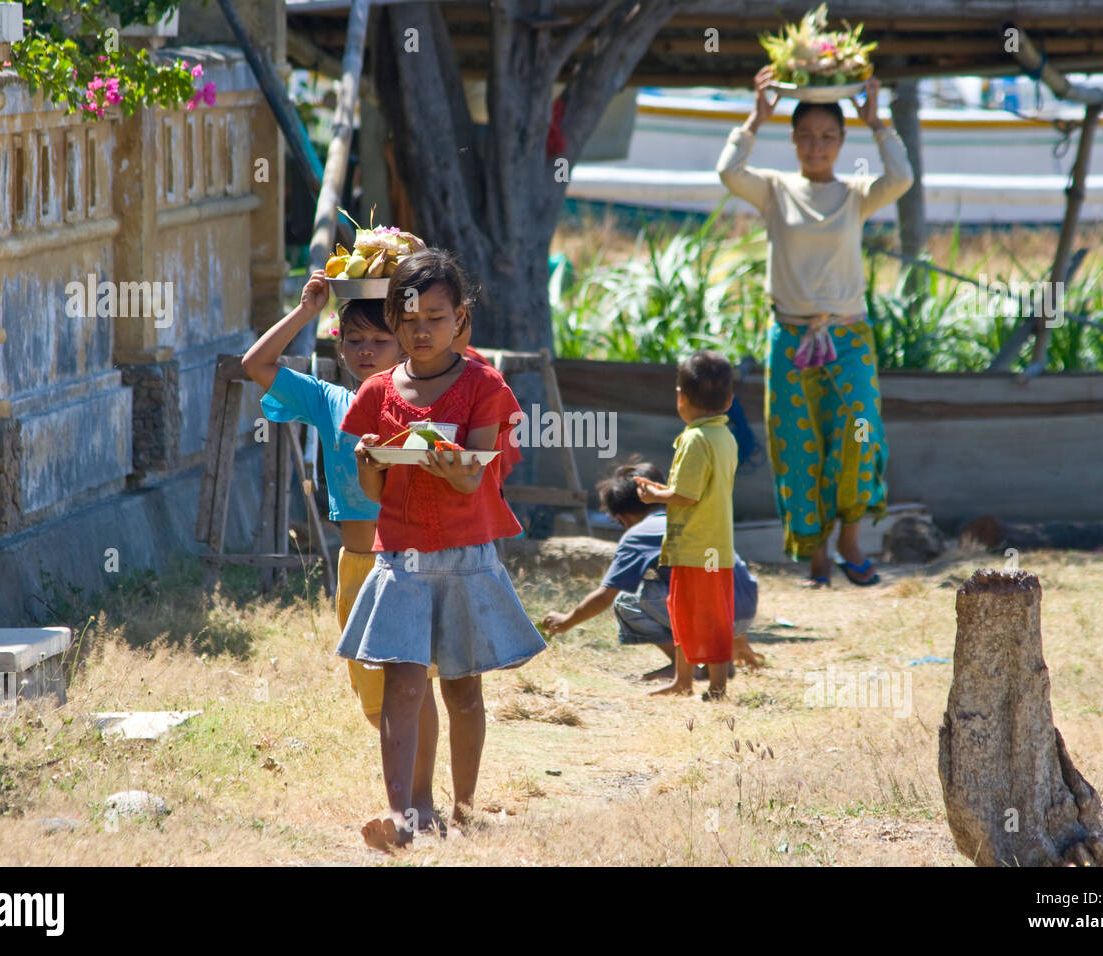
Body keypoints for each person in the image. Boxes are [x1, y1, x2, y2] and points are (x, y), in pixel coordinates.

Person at [340, 248, 546, 849]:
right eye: (410, 318)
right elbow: (374, 490)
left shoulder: (483, 385)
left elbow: (477, 474)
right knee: (403, 685)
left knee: (462, 686)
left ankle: (464, 807)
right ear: (395, 323)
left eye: (436, 315)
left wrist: (454, 470)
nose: (422, 329)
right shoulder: (380, 391)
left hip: (465, 556)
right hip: (400, 558)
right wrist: (369, 462)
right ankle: (405, 815)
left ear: (460, 319)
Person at [241, 275, 445, 830]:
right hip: (356, 567)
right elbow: (256, 364)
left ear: (404, 344)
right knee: (373, 694)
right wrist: (307, 311)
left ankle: (416, 806)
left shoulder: (420, 405)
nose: (364, 352)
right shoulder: (330, 399)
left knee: (413, 684)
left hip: (407, 564)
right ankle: (413, 801)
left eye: (378, 342)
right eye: (353, 340)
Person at [717, 68, 914, 588]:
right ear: (793, 140)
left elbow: (902, 179)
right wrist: (755, 118)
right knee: (798, 446)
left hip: (848, 337)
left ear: (843, 141)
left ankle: (851, 538)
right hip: (789, 339)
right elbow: (729, 171)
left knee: (858, 432)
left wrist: (879, 123)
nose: (817, 146)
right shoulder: (775, 190)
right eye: (806, 136)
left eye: (828, 136)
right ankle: (818, 557)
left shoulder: (854, 194)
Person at [540, 460, 765, 677]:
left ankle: (684, 667)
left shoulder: (638, 534)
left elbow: (605, 596)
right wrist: (739, 635)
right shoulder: (694, 519)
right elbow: (730, 574)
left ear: (622, 518)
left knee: (627, 600)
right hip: (743, 608)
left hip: (714, 615)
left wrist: (566, 620)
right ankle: (715, 662)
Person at [632, 351, 739, 700]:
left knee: (701, 617)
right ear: (729, 399)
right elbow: (698, 490)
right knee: (694, 614)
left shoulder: (695, 439)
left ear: (681, 396)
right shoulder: (724, 437)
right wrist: (665, 492)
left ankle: (715, 687)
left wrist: (652, 497)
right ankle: (684, 682)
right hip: (714, 545)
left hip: (697, 546)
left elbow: (687, 496)